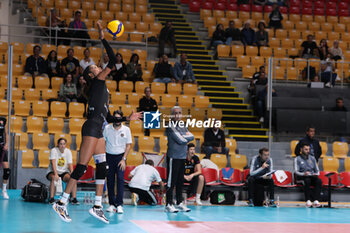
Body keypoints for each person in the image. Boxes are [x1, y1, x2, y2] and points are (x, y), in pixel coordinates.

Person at [52, 21, 142, 224]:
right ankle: (61, 202)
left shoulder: (102, 90)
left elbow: (109, 118)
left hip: (99, 128)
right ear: (92, 74)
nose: (97, 65)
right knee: (82, 167)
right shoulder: (98, 82)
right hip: (92, 127)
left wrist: (128, 118)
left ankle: (98, 206)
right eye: (94, 66)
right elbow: (112, 61)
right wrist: (102, 37)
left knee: (103, 167)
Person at [165, 106, 194, 213]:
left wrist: (184, 136)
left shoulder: (183, 126)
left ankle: (179, 203)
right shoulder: (170, 125)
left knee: (180, 182)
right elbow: (181, 140)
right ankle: (168, 204)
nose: (178, 115)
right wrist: (184, 136)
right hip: (173, 157)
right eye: (175, 113)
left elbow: (192, 136)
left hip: (182, 157)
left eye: (180, 113)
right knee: (171, 182)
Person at [103, 110, 132, 214]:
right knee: (110, 180)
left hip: (121, 157)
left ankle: (119, 204)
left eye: (119, 118)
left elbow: (128, 145)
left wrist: (123, 159)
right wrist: (104, 159)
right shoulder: (107, 128)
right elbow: (103, 142)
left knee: (120, 180)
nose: (117, 120)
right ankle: (111, 204)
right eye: (115, 118)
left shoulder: (126, 129)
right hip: (109, 156)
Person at [46, 138, 78, 205]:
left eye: (64, 144)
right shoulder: (54, 150)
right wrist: (56, 174)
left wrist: (72, 174)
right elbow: (53, 163)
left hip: (64, 172)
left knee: (72, 179)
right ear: (58, 144)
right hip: (53, 171)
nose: (62, 146)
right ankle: (51, 198)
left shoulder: (68, 152)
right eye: (61, 144)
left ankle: (74, 198)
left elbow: (70, 164)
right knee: (54, 178)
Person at [294, 143, 322, 208]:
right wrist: (304, 174)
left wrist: (316, 174)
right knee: (307, 180)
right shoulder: (297, 159)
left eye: (309, 149)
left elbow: (317, 170)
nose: (308, 151)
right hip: (302, 177)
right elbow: (296, 171)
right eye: (306, 149)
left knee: (319, 181)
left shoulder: (312, 158)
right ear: (301, 149)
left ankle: (316, 200)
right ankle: (308, 201)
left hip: (312, 176)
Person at [0, 117, 10, 199]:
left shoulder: (3, 120)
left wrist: (6, 144)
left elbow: (6, 133)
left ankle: (4, 190)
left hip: (1, 147)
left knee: (7, 170)